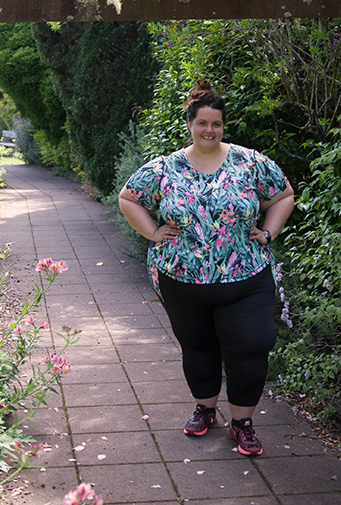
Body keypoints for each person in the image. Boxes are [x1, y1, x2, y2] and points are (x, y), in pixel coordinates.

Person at [118, 80, 294, 457]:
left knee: (254, 343)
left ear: (223, 125)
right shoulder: (166, 168)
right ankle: (206, 409)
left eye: (216, 123)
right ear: (190, 124)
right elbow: (128, 197)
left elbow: (283, 195)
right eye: (202, 123)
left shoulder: (250, 162)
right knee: (198, 348)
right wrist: (152, 232)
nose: (209, 130)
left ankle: (243, 423)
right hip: (181, 278)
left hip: (246, 276)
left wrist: (267, 232)